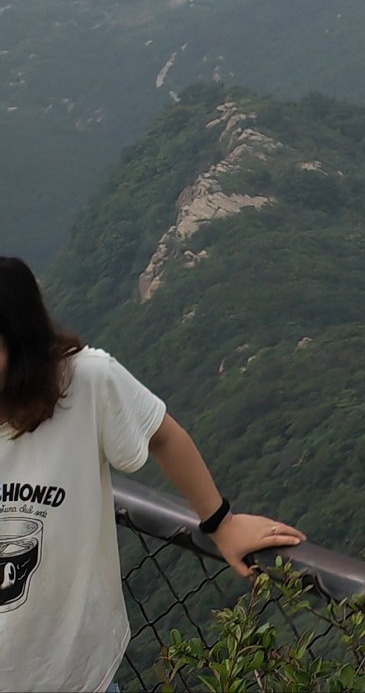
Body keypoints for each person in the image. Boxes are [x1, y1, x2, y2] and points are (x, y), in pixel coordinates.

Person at [0, 257, 303, 693]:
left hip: (74, 670)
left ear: (20, 336)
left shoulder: (85, 383)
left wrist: (221, 524)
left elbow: (164, 436)